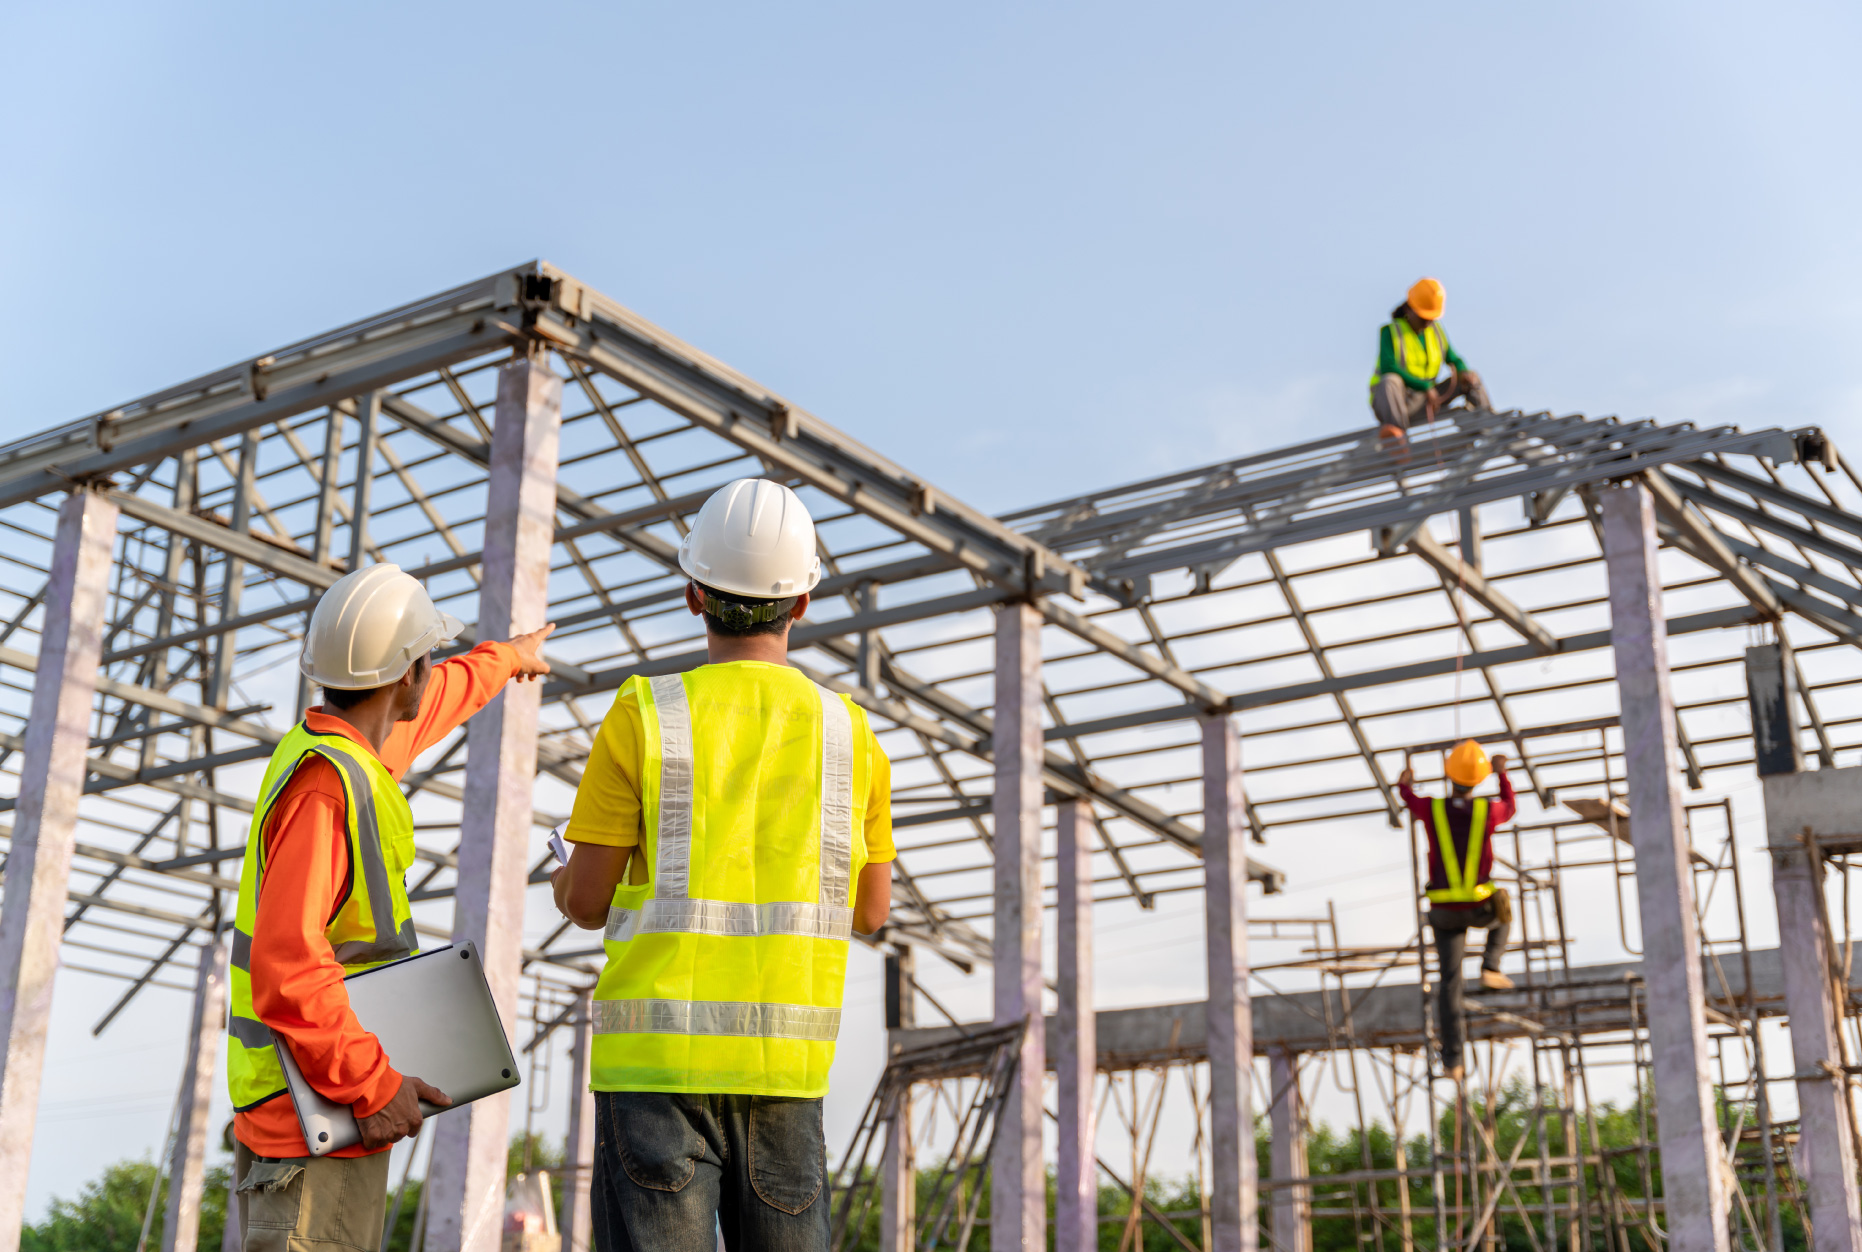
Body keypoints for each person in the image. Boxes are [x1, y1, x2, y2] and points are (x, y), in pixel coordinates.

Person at [551, 477, 896, 1252]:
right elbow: (871, 913)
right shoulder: (850, 734)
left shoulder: (645, 713)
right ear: (801, 603)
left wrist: (562, 876)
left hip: (653, 1070)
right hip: (785, 1071)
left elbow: (586, 900)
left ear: (693, 594)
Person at [224, 563, 554, 1251]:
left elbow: (438, 701)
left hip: (312, 1103)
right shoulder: (328, 790)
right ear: (406, 673)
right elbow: (287, 966)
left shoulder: (342, 750)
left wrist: (507, 659)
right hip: (315, 1116)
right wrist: (373, 1085)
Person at [1397, 739, 1516, 1084]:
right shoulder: (1487, 811)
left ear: (1448, 776)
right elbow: (1509, 807)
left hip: (1444, 913)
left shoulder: (1433, 810)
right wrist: (1503, 774)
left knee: (1450, 985)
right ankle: (1491, 965)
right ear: (1479, 779)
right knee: (1504, 908)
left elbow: (1408, 798)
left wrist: (1404, 781)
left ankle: (1453, 1060)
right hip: (1480, 908)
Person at [1370, 277, 1493, 440]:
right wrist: (1424, 387)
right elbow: (1388, 366)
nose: (1427, 322)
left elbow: (1454, 359)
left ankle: (1490, 421)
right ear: (1409, 309)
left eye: (1431, 318)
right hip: (1399, 404)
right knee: (1390, 381)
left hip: (1428, 400)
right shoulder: (1391, 332)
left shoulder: (1435, 331)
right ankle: (1398, 439)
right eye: (1423, 317)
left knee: (1471, 376)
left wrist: (1463, 371)